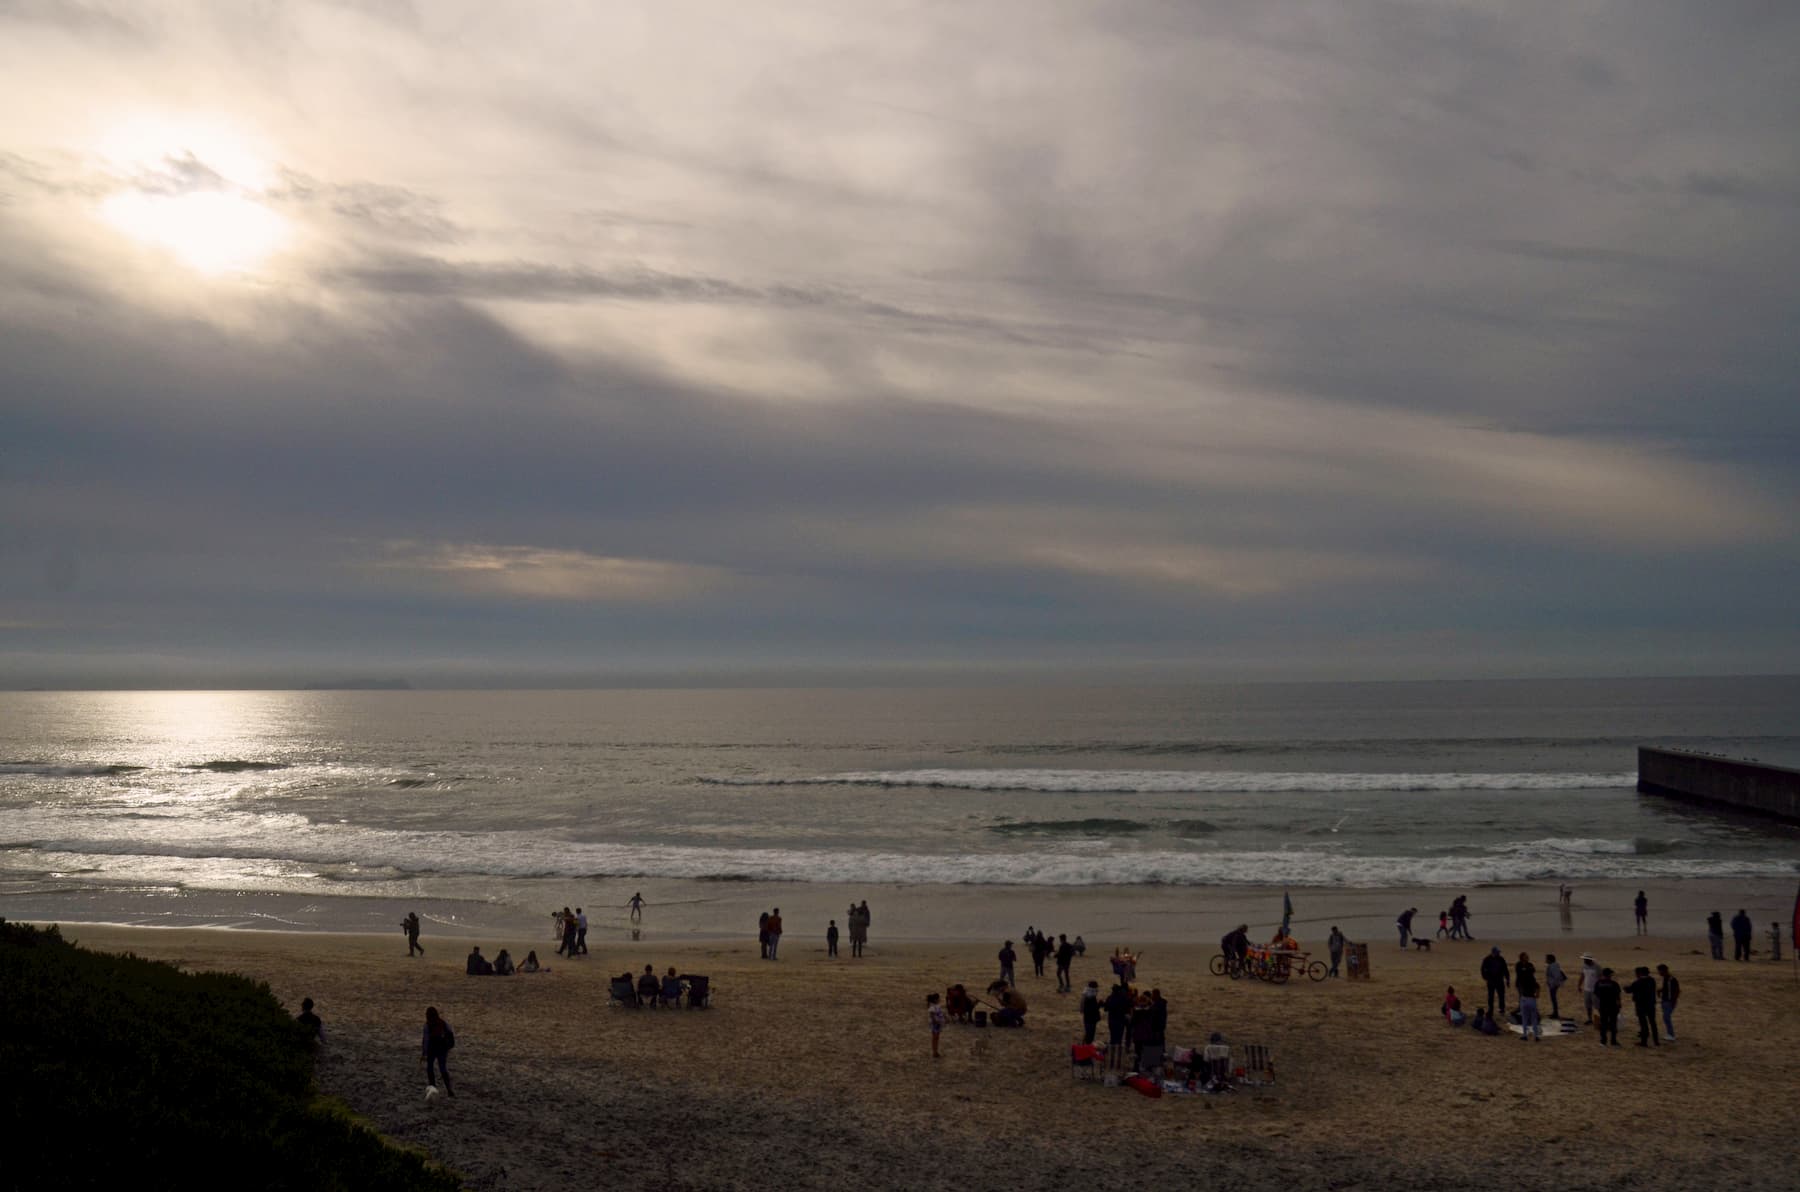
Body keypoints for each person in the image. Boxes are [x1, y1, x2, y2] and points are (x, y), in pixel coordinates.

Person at [422, 1007, 454, 1095]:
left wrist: (424, 1053)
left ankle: (433, 1086)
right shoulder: (443, 1023)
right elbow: (450, 1032)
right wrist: (449, 1046)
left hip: (432, 1049)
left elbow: (426, 1040)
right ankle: (449, 1089)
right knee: (443, 1068)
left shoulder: (427, 1025)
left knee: (430, 1068)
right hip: (442, 1049)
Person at [1625, 965, 1659, 1047]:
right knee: (1653, 1023)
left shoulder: (1638, 982)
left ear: (1639, 973)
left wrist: (1626, 988)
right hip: (1651, 1004)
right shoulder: (1652, 980)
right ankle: (1656, 1041)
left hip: (1641, 1006)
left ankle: (1644, 1042)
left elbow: (1629, 990)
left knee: (1643, 1024)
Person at [1594, 968, 1623, 1047]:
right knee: (1613, 1024)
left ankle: (1603, 1041)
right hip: (1613, 1006)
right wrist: (1619, 1004)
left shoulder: (1598, 983)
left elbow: (1596, 994)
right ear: (1610, 975)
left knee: (1603, 1024)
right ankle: (1613, 1041)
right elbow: (1618, 996)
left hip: (1603, 1005)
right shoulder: (1614, 984)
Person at [1516, 952, 1541, 1041]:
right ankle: (1536, 1036)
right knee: (1533, 1018)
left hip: (1525, 998)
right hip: (1531, 998)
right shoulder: (1532, 980)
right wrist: (1537, 994)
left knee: (1525, 1018)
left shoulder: (1523, 980)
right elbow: (1538, 987)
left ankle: (1525, 1035)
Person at [1480, 946, 1509, 1016]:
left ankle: (1502, 1009)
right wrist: (1485, 977)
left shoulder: (1501, 959)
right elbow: (1482, 969)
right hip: (1491, 981)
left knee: (1501, 996)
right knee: (1491, 996)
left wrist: (1508, 979)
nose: (1498, 953)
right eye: (1497, 952)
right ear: (1493, 952)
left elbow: (1505, 969)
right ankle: (1491, 1009)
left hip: (1499, 980)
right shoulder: (1487, 959)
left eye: (1498, 952)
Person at [1103, 982, 1133, 1050]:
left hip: (1112, 1020)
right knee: (1119, 1037)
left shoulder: (1110, 998)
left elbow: (1105, 1009)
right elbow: (1127, 1007)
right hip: (1120, 1020)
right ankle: (1118, 1050)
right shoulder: (1123, 998)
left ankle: (1113, 1050)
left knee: (1113, 1036)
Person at [1656, 963, 1679, 1042]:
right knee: (1666, 1017)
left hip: (1668, 1001)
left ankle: (1671, 1035)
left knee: (1666, 1017)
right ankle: (1670, 1034)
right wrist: (1660, 990)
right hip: (1667, 1001)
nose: (1659, 973)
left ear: (1663, 971)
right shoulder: (1667, 979)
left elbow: (1676, 991)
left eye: (1659, 971)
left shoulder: (1670, 979)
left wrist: (1672, 1001)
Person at [1579, 954, 1601, 1024]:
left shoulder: (1597, 967)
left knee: (1597, 1006)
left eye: (1585, 959)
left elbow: (1600, 978)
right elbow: (1582, 976)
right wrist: (1579, 985)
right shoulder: (1584, 967)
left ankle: (1600, 1019)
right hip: (1587, 989)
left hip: (1595, 990)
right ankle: (1589, 1019)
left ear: (1589, 960)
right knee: (1588, 1006)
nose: (1584, 961)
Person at [1544, 953, 1566, 1019]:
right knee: (1553, 999)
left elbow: (1556, 976)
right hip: (1553, 985)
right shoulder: (1552, 965)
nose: (1545, 960)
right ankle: (1554, 1013)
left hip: (1553, 985)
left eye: (1546, 959)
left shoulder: (1553, 966)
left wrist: (1552, 984)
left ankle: (1555, 1014)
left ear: (1550, 959)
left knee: (1553, 999)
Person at [1079, 979, 1101, 1043]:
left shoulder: (1086, 995)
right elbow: (1091, 1009)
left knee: (1088, 1034)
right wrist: (1099, 1005)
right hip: (1091, 1019)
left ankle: (1085, 1046)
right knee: (1090, 1035)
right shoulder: (1090, 998)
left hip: (1088, 1018)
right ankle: (1086, 1048)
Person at [927, 992, 946, 1056]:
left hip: (938, 1024)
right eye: (938, 999)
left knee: (937, 1038)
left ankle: (936, 1051)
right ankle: (934, 1051)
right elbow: (932, 1016)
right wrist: (937, 1021)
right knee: (935, 1038)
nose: (939, 1000)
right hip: (935, 1024)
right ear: (935, 999)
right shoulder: (932, 1007)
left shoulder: (937, 1006)